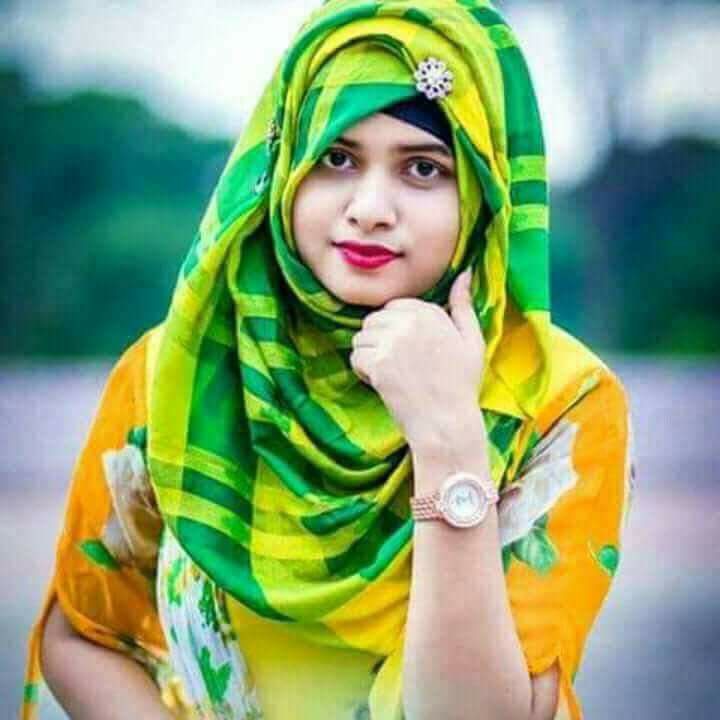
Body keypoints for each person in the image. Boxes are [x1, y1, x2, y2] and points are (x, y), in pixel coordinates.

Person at [22, 1, 635, 718]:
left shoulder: (561, 403)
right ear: (284, 164)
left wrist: (448, 439)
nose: (370, 208)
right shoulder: (181, 372)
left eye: (423, 168)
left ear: (483, 193)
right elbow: (85, 636)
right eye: (336, 158)